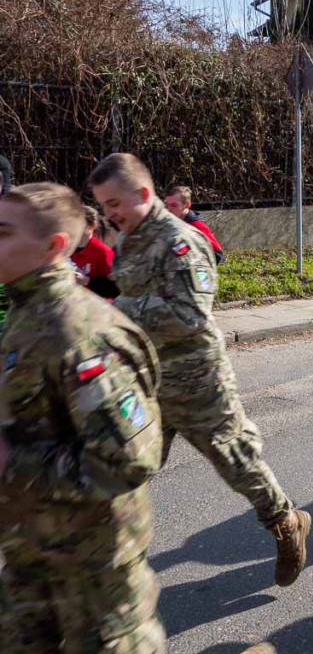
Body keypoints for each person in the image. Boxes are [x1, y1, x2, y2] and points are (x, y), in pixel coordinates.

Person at [88, 153, 310, 588]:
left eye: (115, 202)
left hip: (198, 381)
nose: (109, 213)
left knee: (236, 461)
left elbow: (190, 312)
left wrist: (119, 312)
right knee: (128, 465)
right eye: (102, 204)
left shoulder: (181, 241)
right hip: (148, 384)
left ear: (143, 194)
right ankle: (111, 560)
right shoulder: (129, 239)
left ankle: (286, 521)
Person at [0, 183, 166, 653]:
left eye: (3, 232)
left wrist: (13, 461)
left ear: (53, 246)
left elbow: (128, 461)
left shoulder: (81, 334)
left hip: (94, 574)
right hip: (30, 556)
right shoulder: (25, 312)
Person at [164, 185, 224, 264]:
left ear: (187, 204)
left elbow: (218, 255)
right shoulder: (168, 221)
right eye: (167, 205)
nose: (168, 209)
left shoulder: (196, 226)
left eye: (174, 205)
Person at [71, 204, 119, 299]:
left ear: (91, 226)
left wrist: (87, 281)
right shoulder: (68, 249)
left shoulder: (103, 252)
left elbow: (115, 288)